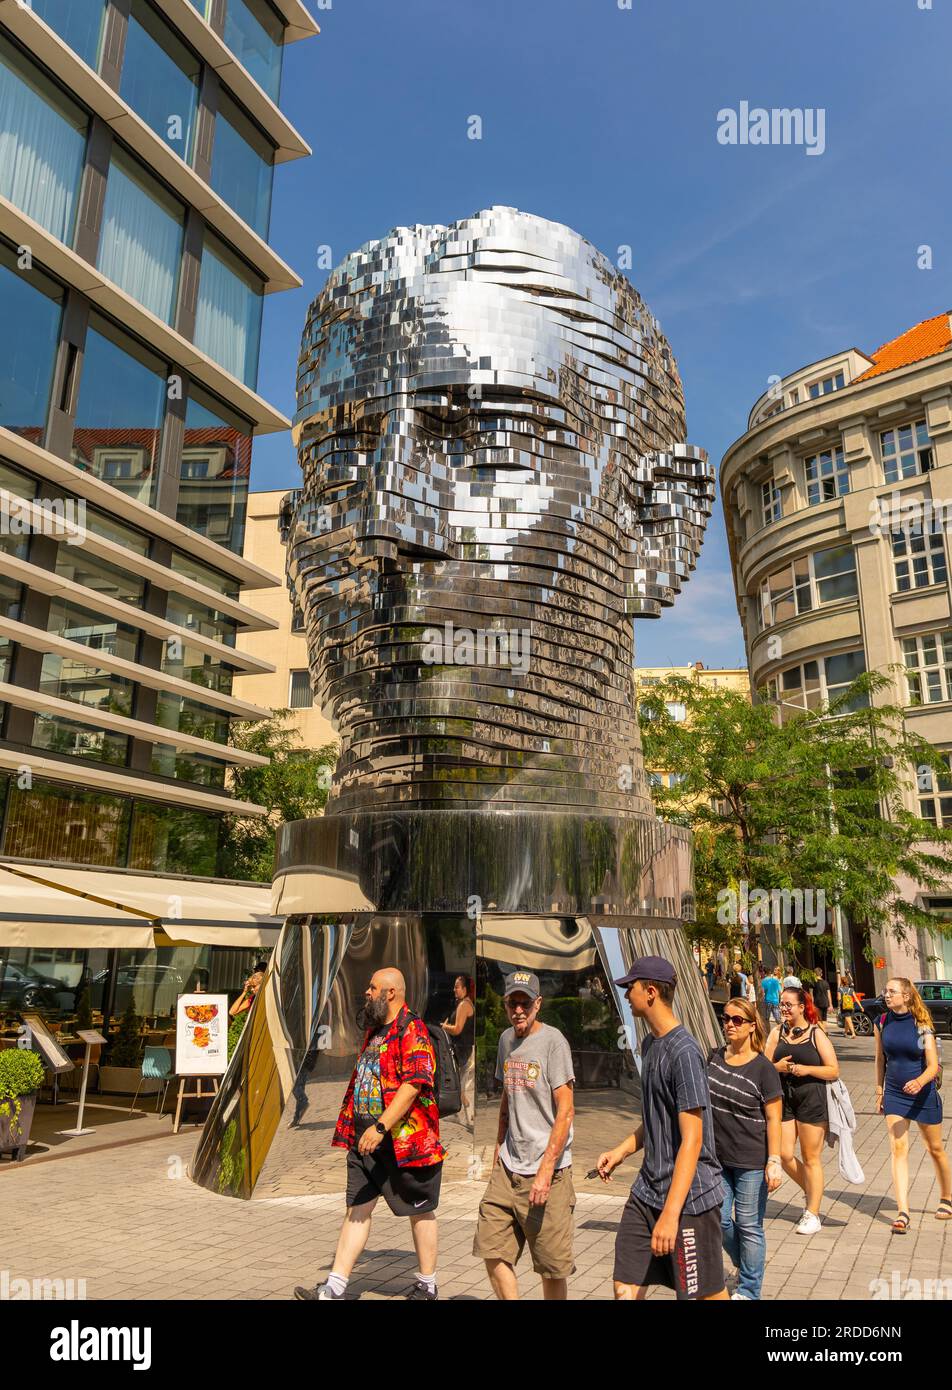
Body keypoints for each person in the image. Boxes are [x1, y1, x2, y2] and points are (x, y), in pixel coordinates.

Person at [293, 968, 444, 1302]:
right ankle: (334, 1287)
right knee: (357, 1208)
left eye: (373, 987)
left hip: (402, 1142)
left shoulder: (412, 1030)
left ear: (391, 993)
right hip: (364, 1139)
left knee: (419, 1209)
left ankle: (427, 1285)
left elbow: (414, 1084)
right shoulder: (375, 1031)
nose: (367, 992)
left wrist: (380, 1126)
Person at [597, 956, 727, 1301]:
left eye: (631, 988)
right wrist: (621, 1151)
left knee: (705, 1295)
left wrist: (671, 1215)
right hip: (647, 1191)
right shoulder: (650, 1044)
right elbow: (657, 1116)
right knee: (624, 1288)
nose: (626, 994)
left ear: (651, 992)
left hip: (690, 1201)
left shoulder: (685, 1053)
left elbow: (693, 1139)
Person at [473, 971, 575, 1300]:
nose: (518, 1010)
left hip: (549, 1172)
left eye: (525, 1004)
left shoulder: (554, 1043)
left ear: (538, 1004)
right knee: (491, 1248)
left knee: (551, 1267)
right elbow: (507, 1098)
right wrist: (498, 1146)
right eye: (512, 1003)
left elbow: (566, 1111)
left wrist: (545, 1171)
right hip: (508, 1168)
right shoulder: (506, 1040)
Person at [707, 997, 783, 1300]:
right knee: (718, 1218)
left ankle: (749, 1290)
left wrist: (774, 1160)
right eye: (726, 1018)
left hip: (752, 1160)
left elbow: (774, 1118)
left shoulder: (764, 1069)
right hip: (716, 1157)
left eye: (737, 1020)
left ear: (752, 1026)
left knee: (750, 1225)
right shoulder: (713, 1057)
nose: (730, 1024)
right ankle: (747, 1263)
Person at [874, 977, 951, 1233]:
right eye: (886, 991)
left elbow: (933, 1065)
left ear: (906, 996)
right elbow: (879, 1059)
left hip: (923, 1093)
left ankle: (947, 1197)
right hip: (895, 1092)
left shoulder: (922, 1025)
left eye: (892, 991)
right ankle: (903, 1211)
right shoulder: (881, 1022)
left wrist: (919, 1082)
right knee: (898, 1148)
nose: (887, 995)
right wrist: (879, 1090)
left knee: (935, 1148)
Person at [765, 986, 839, 1235]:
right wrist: (777, 1067)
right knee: (783, 1154)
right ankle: (812, 1191)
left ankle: (813, 1214)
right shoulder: (777, 1033)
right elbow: (763, 1066)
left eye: (788, 1004)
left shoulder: (816, 1033)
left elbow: (833, 1070)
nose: (784, 1008)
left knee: (810, 1158)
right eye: (782, 1004)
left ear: (801, 1007)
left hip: (811, 1099)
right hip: (784, 1098)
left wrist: (806, 1069)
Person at [441, 974, 476, 1126]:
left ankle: (467, 1116)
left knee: (460, 1086)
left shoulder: (464, 1005)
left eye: (457, 987)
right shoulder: (465, 1003)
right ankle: (460, 1114)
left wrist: (444, 1027)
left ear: (465, 989)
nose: (454, 989)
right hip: (464, 1050)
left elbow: (457, 1029)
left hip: (463, 1051)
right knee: (459, 1085)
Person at [838, 972, 857, 1038]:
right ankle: (845, 1033)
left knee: (848, 1020)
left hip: (844, 1007)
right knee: (847, 1020)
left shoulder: (840, 989)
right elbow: (855, 998)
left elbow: (839, 999)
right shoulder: (851, 989)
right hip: (851, 1006)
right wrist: (860, 1006)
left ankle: (853, 1033)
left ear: (842, 982)